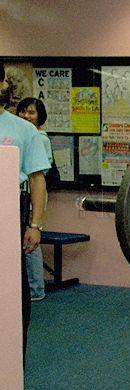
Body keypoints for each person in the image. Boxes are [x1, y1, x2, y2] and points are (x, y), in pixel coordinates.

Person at [0, 65, 49, 364]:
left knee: (13, 294)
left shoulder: (23, 130)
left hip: (10, 212)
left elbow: (37, 179)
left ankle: (13, 364)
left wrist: (35, 225)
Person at [16, 97, 53, 302]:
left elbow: (39, 174)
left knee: (30, 240)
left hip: (31, 195)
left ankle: (36, 288)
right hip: (19, 194)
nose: (26, 116)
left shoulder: (40, 138)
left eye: (31, 112)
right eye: (23, 111)